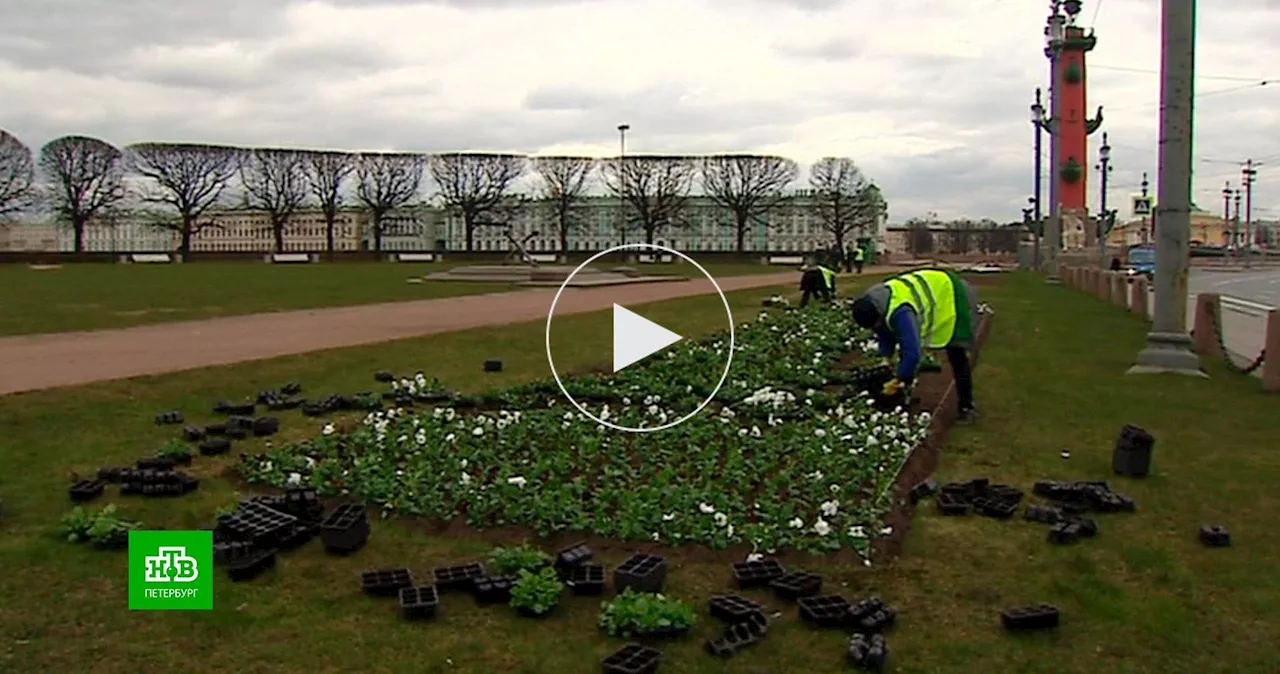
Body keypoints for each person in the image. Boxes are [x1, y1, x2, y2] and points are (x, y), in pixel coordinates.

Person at [850, 268, 982, 422]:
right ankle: (904, 394)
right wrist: (885, 358)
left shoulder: (901, 312)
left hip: (951, 296)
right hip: (932, 287)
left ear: (878, 314)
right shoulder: (873, 301)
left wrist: (898, 379)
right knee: (906, 358)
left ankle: (966, 406)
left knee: (957, 355)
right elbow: (883, 330)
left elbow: (912, 354)